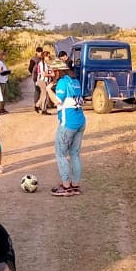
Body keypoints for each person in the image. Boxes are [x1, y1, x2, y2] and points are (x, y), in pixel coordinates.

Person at [45, 59, 85, 196]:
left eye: (52, 71)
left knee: (61, 154)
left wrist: (48, 89)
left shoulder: (62, 82)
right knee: (75, 154)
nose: (51, 74)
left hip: (68, 123)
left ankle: (66, 186)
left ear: (57, 71)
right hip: (80, 121)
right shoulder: (75, 81)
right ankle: (75, 185)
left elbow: (57, 100)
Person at [33, 50, 53, 115]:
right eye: (48, 56)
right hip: (43, 80)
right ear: (44, 57)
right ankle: (43, 109)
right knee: (45, 95)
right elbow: (43, 74)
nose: (49, 57)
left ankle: (37, 105)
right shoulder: (42, 64)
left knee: (43, 94)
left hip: (45, 80)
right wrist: (51, 75)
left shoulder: (46, 63)